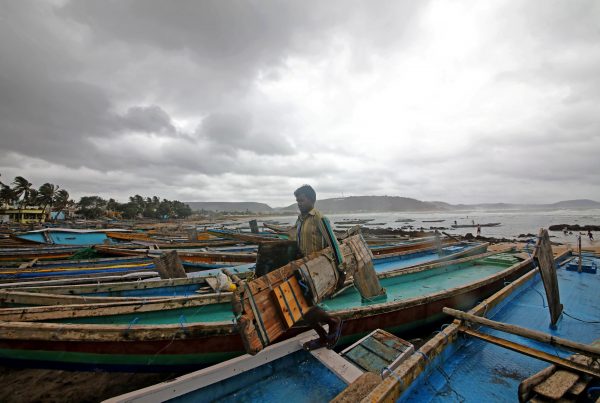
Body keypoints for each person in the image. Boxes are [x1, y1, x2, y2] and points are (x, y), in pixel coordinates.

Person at [291, 184, 343, 351]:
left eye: (302, 200)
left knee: (306, 306)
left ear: (312, 200)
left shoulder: (319, 219)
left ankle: (333, 322)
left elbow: (334, 245)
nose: (299, 203)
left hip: (316, 270)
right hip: (302, 269)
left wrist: (341, 272)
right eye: (297, 200)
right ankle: (323, 336)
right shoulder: (300, 220)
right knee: (302, 307)